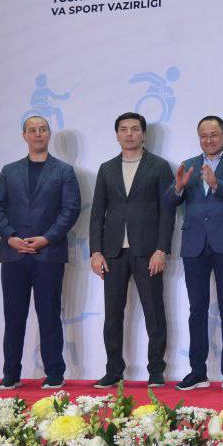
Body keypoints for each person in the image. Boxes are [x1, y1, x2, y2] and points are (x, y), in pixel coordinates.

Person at [0, 115, 81, 390]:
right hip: (14, 254)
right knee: (13, 316)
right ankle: (11, 374)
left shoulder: (64, 171)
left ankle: (54, 374)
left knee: (49, 314)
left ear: (49, 134)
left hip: (48, 254)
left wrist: (46, 238)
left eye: (42, 130)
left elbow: (70, 210)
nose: (38, 134)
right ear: (24, 136)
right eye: (32, 130)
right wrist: (10, 237)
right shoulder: (9, 171)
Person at [165, 115, 223, 391]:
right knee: (197, 310)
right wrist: (178, 187)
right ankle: (197, 372)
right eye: (203, 136)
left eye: (213, 134)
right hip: (194, 245)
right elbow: (169, 201)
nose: (208, 140)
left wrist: (216, 184)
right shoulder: (189, 164)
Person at [89, 112, 175, 388]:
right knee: (113, 314)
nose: (129, 134)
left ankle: (156, 370)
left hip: (147, 251)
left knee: (154, 312)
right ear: (117, 135)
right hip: (113, 252)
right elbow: (97, 212)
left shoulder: (159, 166)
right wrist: (95, 251)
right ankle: (114, 370)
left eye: (135, 129)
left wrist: (162, 249)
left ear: (143, 134)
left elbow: (167, 211)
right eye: (124, 129)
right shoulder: (106, 169)